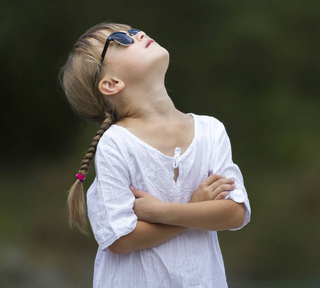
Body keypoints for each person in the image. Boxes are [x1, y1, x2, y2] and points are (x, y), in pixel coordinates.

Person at [60, 22, 251, 287]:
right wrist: (195, 210)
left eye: (133, 29)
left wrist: (163, 211)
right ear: (112, 83)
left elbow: (235, 213)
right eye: (120, 39)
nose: (137, 34)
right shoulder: (115, 143)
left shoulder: (211, 131)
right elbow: (120, 239)